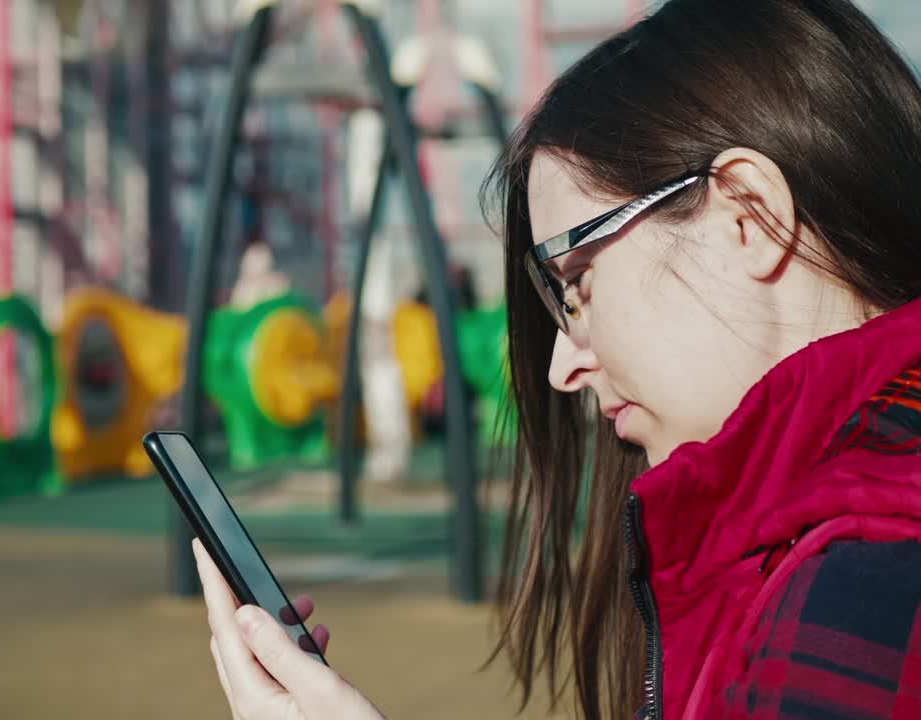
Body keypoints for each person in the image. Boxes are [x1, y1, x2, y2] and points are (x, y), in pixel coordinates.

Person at [192, 1, 921, 718]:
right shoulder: (818, 545)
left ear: (745, 216)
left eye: (576, 285)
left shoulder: (855, 596)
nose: (561, 367)